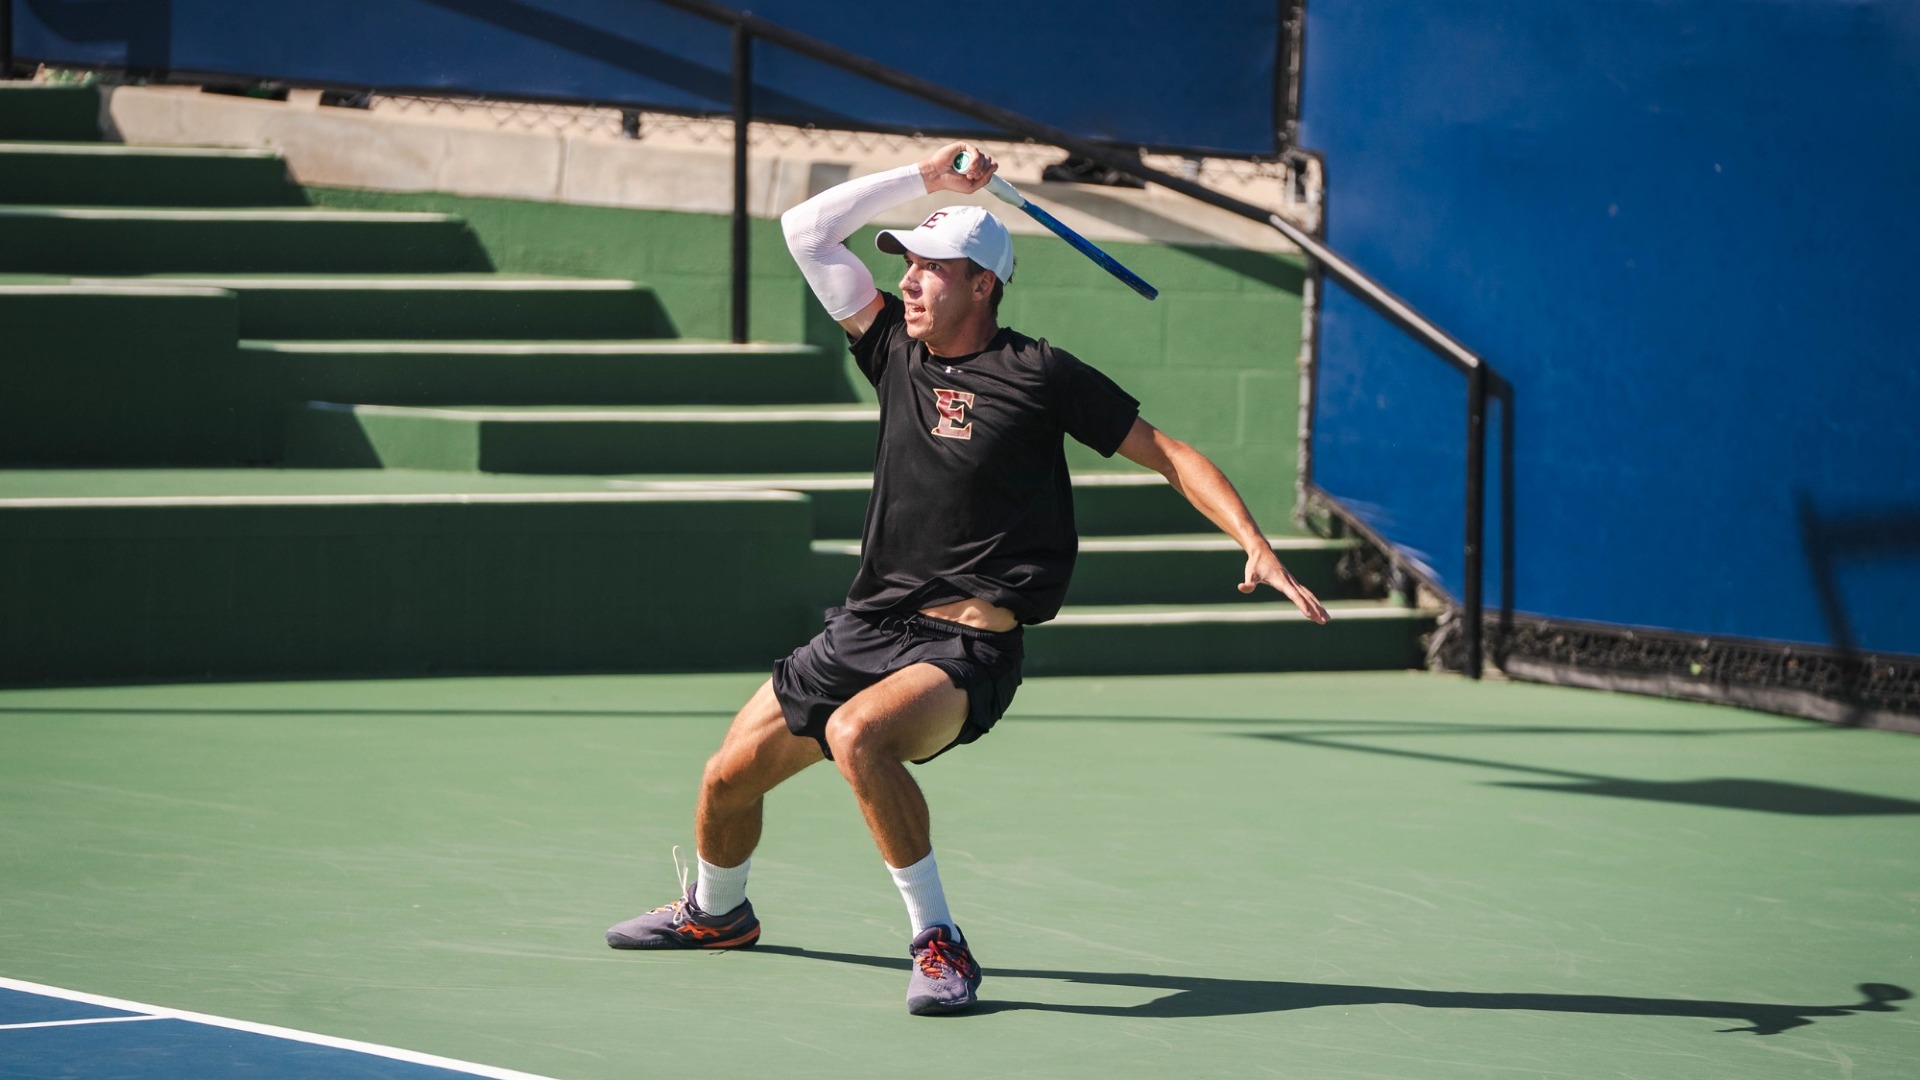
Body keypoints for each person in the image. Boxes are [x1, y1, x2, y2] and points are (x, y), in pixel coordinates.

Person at [606, 142, 1330, 1015]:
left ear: (983, 285)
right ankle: (717, 914)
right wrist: (928, 179)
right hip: (866, 625)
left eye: (930, 269)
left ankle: (939, 942)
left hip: (963, 647)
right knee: (726, 779)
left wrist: (1253, 540)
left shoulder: (1041, 374)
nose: (909, 282)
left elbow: (1170, 454)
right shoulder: (890, 348)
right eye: (906, 266)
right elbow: (806, 230)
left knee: (858, 737)